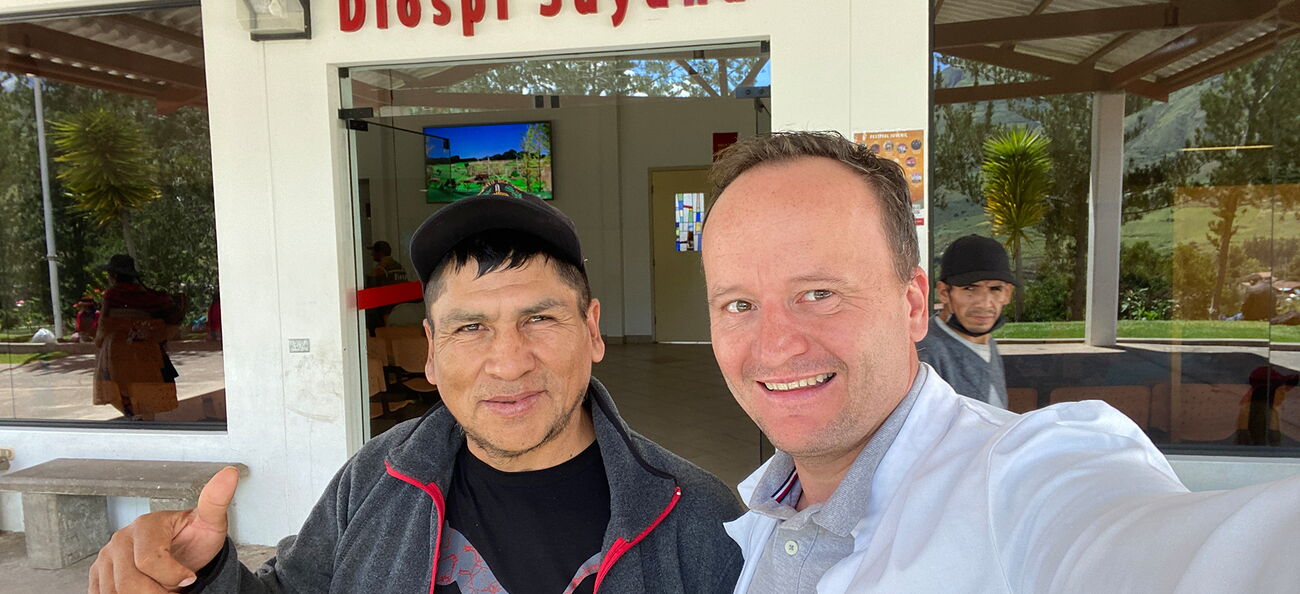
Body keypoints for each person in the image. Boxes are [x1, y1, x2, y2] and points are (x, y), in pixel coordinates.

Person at [701, 131, 1300, 592]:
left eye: (819, 293)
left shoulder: (1023, 480)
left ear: (913, 306)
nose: (774, 346)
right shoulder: (762, 508)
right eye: (739, 304)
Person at [89, 193, 744, 593]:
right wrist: (204, 576)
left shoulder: (699, 516)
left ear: (592, 330)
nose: (508, 362)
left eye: (540, 319)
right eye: (471, 327)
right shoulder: (375, 478)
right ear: (430, 350)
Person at [915, 234, 1014, 408]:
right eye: (970, 288)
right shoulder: (926, 353)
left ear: (1007, 294)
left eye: (995, 289)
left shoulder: (986, 341)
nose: (984, 303)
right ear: (944, 293)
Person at [93, 254, 180, 420]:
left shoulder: (111, 295)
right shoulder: (147, 295)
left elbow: (103, 325)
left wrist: (99, 342)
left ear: (114, 275)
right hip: (147, 351)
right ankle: (146, 419)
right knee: (146, 387)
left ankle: (134, 418)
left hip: (118, 351)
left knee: (122, 388)